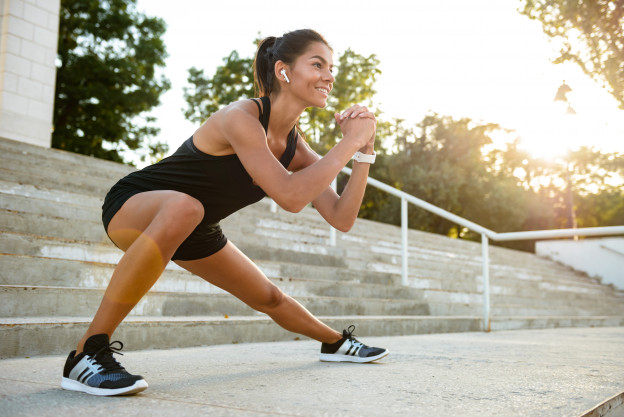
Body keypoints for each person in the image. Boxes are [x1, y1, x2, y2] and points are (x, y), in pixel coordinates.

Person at [61, 29, 388, 397]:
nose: (330, 75)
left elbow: (342, 218)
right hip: (136, 204)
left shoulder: (296, 148)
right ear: (283, 71)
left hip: (194, 224)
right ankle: (86, 354)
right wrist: (349, 141)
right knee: (186, 206)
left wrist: (364, 153)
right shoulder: (241, 117)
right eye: (318, 64)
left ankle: (336, 343)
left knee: (269, 297)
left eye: (332, 67)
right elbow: (290, 197)